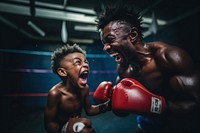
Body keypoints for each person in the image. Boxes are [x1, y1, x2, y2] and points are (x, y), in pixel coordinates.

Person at [94, 3, 200, 133]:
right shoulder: (123, 69)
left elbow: (196, 105)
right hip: (148, 123)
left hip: (180, 124)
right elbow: (123, 113)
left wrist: (156, 105)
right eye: (104, 44)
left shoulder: (170, 57)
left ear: (132, 35)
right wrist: (112, 102)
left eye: (110, 40)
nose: (105, 48)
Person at [44, 44, 111, 133]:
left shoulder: (84, 88)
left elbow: (89, 110)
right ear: (63, 72)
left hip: (78, 128)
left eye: (86, 62)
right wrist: (65, 129)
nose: (85, 65)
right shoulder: (55, 93)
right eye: (78, 62)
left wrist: (108, 105)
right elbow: (49, 123)